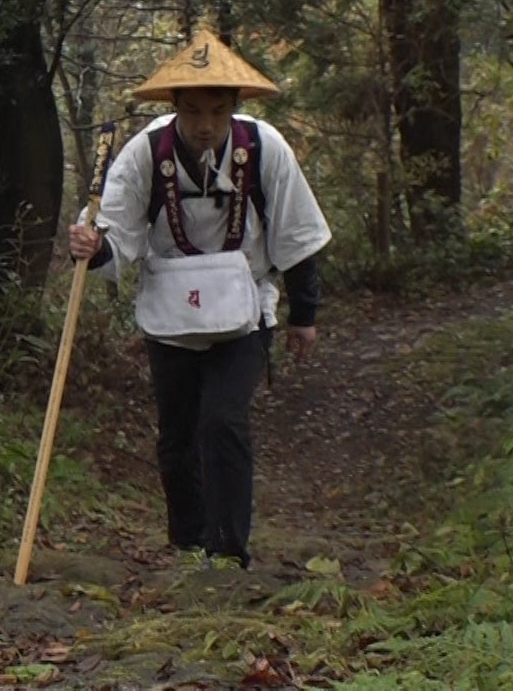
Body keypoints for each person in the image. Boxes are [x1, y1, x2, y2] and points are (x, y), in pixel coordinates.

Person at [67, 30, 330, 568]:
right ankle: (188, 543)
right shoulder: (147, 151)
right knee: (178, 433)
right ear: (174, 107)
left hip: (245, 310)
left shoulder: (264, 149)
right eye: (191, 111)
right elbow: (114, 233)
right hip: (170, 312)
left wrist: (304, 315)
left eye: (216, 110)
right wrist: (93, 246)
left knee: (223, 420)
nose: (204, 125)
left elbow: (297, 234)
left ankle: (229, 548)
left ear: (234, 105)